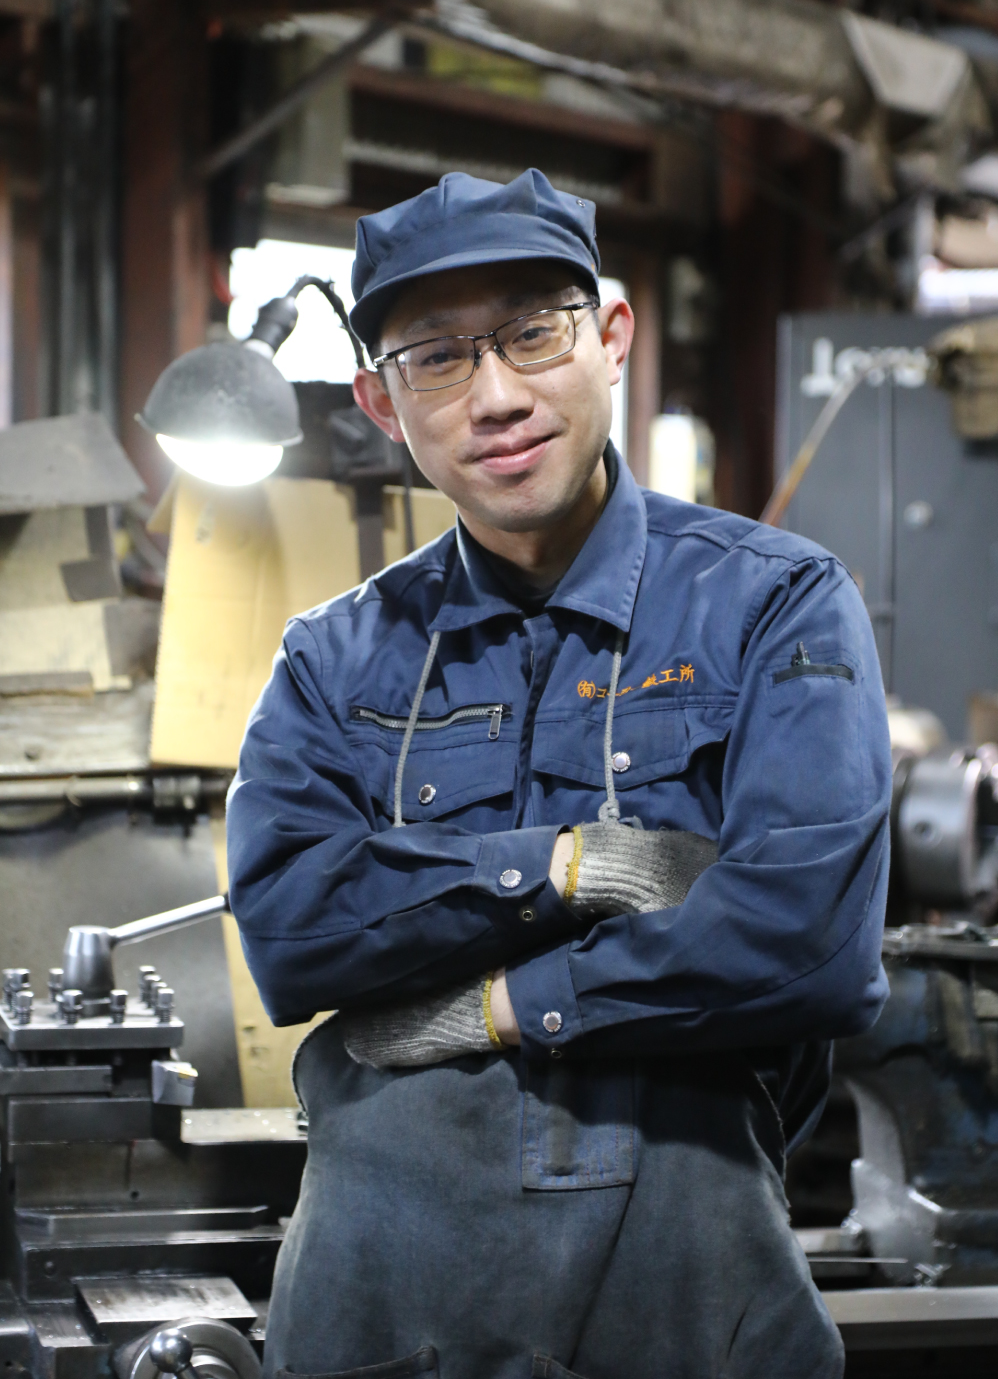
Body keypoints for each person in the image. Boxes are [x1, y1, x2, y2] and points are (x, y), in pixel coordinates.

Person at [227, 169, 892, 1379]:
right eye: (437, 358)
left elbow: (805, 943)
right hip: (385, 1295)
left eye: (533, 333)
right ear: (381, 403)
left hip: (687, 1284)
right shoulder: (333, 659)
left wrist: (493, 1006)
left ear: (611, 338)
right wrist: (570, 867)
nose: (495, 397)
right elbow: (291, 932)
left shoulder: (774, 605)